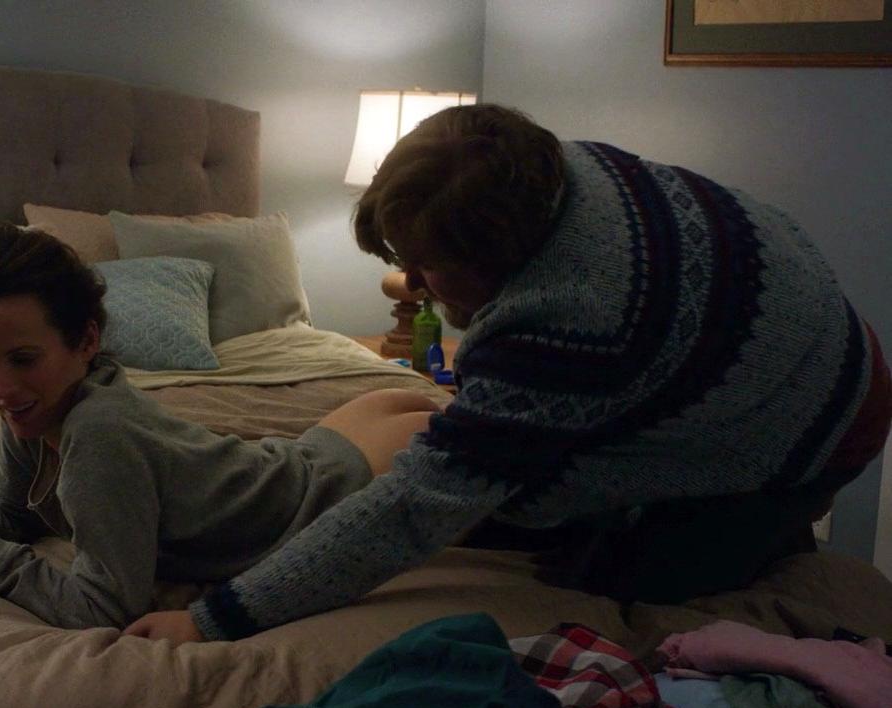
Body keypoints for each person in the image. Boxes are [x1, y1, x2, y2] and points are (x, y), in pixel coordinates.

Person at [123, 104, 892, 643]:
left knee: (587, 564)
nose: (412, 284)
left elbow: (411, 511)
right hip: (785, 344)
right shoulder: (558, 168)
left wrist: (215, 618)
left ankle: (762, 531)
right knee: (520, 497)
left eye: (428, 266)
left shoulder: (568, 320)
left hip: (823, 420)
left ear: (498, 260)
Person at [0, 223, 439, 630]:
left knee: (482, 452)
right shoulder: (33, 410)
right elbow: (16, 516)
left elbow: (101, 608)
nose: (0, 389)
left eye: (23, 359)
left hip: (333, 484)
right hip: (310, 452)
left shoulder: (99, 435)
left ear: (86, 341)